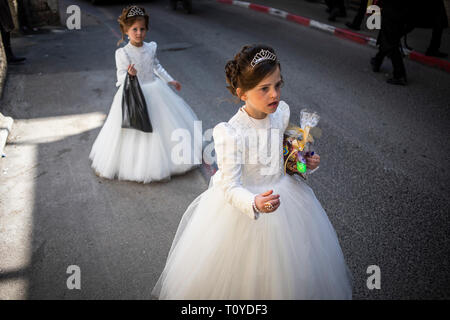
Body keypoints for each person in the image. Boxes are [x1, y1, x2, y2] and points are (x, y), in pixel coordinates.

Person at [152, 45, 353, 299]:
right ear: (242, 93)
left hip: (286, 199)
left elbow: (282, 156)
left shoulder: (280, 113)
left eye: (278, 85)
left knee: (293, 270)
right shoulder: (231, 132)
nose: (274, 94)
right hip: (247, 209)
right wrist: (254, 202)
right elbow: (229, 186)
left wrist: (304, 161)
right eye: (264, 88)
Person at [89, 6, 201, 183]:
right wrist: (129, 75)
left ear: (147, 30)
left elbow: (156, 66)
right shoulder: (123, 53)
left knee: (161, 125)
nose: (139, 33)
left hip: (155, 90)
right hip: (134, 93)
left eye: (142, 29)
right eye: (134, 29)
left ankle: (169, 160)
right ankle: (135, 165)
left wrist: (170, 80)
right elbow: (119, 76)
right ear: (126, 31)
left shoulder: (151, 48)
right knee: (135, 129)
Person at [370, 0, 408, 85]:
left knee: (391, 44)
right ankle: (377, 61)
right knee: (387, 40)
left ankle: (399, 75)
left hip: (393, 13)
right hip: (396, 13)